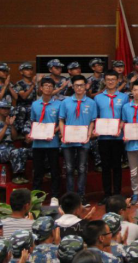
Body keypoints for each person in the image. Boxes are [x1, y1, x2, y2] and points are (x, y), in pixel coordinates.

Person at [59, 75, 96, 199]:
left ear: (86, 86)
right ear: (73, 87)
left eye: (81, 85)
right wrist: (63, 134)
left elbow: (92, 121)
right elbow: (61, 120)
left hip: (84, 140)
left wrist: (89, 134)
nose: (79, 88)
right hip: (68, 141)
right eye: (76, 85)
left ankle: (81, 195)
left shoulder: (91, 103)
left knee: (82, 168)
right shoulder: (65, 102)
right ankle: (70, 196)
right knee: (69, 169)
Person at [93, 70, 127, 204]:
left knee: (117, 166)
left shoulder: (124, 97)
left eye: (113, 79)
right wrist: (96, 129)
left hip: (118, 137)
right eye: (108, 79)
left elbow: (124, 117)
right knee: (105, 167)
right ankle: (107, 194)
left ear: (118, 81)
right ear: (104, 81)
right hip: (103, 138)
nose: (111, 82)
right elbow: (96, 117)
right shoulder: (98, 98)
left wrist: (120, 127)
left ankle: (117, 194)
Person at [28, 77, 61, 205]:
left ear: (53, 89)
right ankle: (37, 197)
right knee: (38, 171)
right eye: (45, 86)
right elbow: (33, 122)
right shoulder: (35, 104)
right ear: (41, 88)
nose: (48, 88)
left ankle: (55, 196)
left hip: (53, 143)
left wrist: (53, 131)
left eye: (50, 86)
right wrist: (32, 133)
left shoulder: (58, 104)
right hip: (38, 143)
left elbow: (61, 122)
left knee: (54, 171)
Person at [0, 102, 30, 186]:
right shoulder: (4, 123)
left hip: (10, 147)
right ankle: (16, 175)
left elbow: (14, 137)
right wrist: (6, 126)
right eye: (3, 108)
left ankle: (22, 175)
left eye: (8, 108)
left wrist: (12, 125)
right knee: (15, 152)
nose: (6, 110)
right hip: (1, 149)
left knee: (23, 150)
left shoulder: (10, 120)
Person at [12, 62, 37, 139]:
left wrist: (38, 83)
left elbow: (39, 93)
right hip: (22, 110)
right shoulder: (19, 83)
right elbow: (24, 96)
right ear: (21, 72)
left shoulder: (35, 83)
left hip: (32, 109)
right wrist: (33, 85)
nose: (29, 71)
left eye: (31, 69)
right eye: (26, 70)